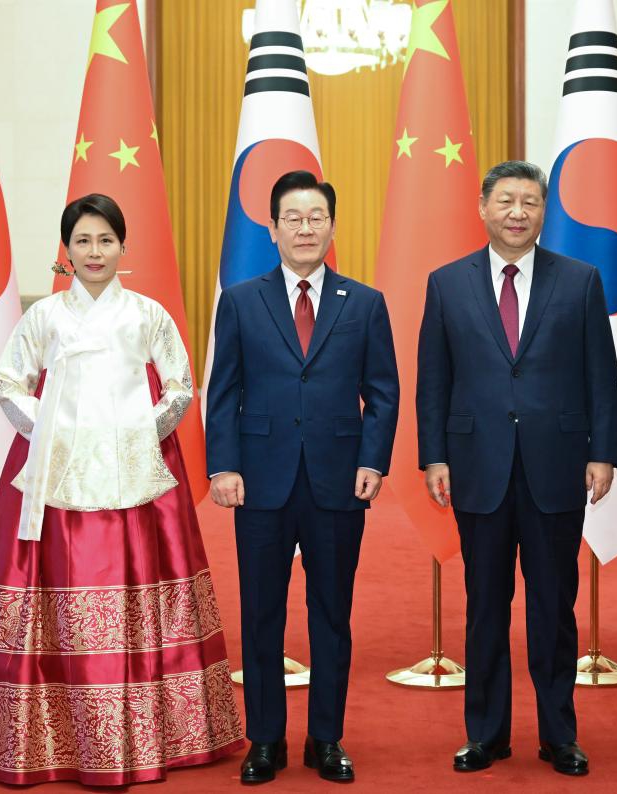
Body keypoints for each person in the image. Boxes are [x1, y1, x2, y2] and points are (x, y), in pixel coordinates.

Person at [0, 194, 244, 786]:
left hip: (136, 481)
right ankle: (58, 744)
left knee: (142, 596)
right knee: (61, 598)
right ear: (67, 250)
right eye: (82, 240)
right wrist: (55, 432)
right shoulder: (45, 317)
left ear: (123, 247)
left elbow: (179, 387)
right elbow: (7, 382)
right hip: (59, 479)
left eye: (105, 240)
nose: (94, 252)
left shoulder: (147, 315)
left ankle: (160, 737)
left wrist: (127, 439)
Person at [416, 160, 617, 777]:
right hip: (477, 467)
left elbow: (599, 376)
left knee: (554, 608)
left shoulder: (580, 281)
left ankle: (560, 734)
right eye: (506, 201)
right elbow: (434, 380)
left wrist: (602, 451)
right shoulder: (446, 283)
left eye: (529, 202)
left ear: (543, 211)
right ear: (483, 207)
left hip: (556, 467)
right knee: (485, 607)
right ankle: (487, 733)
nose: (517, 213)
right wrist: (434, 455)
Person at [204, 170, 399, 784]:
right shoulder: (240, 299)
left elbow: (384, 393)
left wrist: (372, 461)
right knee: (261, 615)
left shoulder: (364, 303)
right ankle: (265, 741)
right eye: (294, 217)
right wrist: (224, 465)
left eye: (317, 217)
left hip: (339, 483)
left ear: (332, 226)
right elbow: (224, 390)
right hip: (259, 483)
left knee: (331, 616)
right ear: (272, 228)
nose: (306, 228)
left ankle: (325, 738)